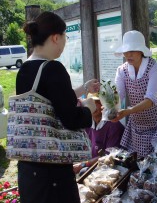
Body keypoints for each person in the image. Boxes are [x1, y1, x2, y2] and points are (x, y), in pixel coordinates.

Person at [16, 11, 99, 203]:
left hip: (29, 168)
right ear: (55, 37)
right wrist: (88, 108)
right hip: (52, 171)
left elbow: (48, 103)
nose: (64, 42)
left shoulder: (25, 69)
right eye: (65, 37)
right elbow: (71, 118)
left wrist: (83, 89)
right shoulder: (54, 68)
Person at [111, 30, 157, 158]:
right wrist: (110, 107)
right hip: (141, 122)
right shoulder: (122, 71)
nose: (128, 55)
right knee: (143, 162)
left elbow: (150, 100)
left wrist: (127, 111)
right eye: (126, 51)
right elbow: (118, 95)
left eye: (133, 51)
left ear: (141, 51)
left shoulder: (154, 68)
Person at [73, 93, 125, 174]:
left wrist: (83, 164)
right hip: (92, 163)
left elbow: (109, 157)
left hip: (108, 167)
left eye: (98, 102)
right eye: (91, 102)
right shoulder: (88, 123)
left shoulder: (114, 126)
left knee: (83, 171)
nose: (94, 105)